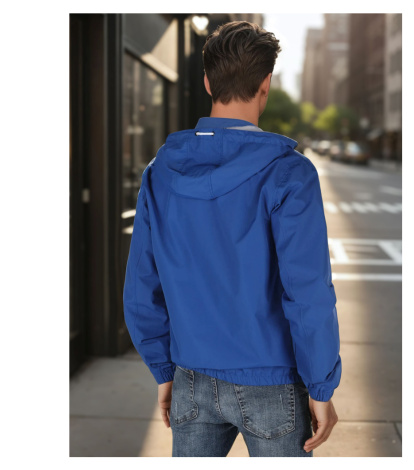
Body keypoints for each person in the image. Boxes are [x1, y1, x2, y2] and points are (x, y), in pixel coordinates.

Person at [123, 20, 341, 457]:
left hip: (190, 377)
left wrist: (164, 371)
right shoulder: (290, 173)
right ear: (266, 84)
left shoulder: (160, 173)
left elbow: (142, 285)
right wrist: (321, 385)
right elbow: (307, 291)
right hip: (273, 381)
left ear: (207, 82)